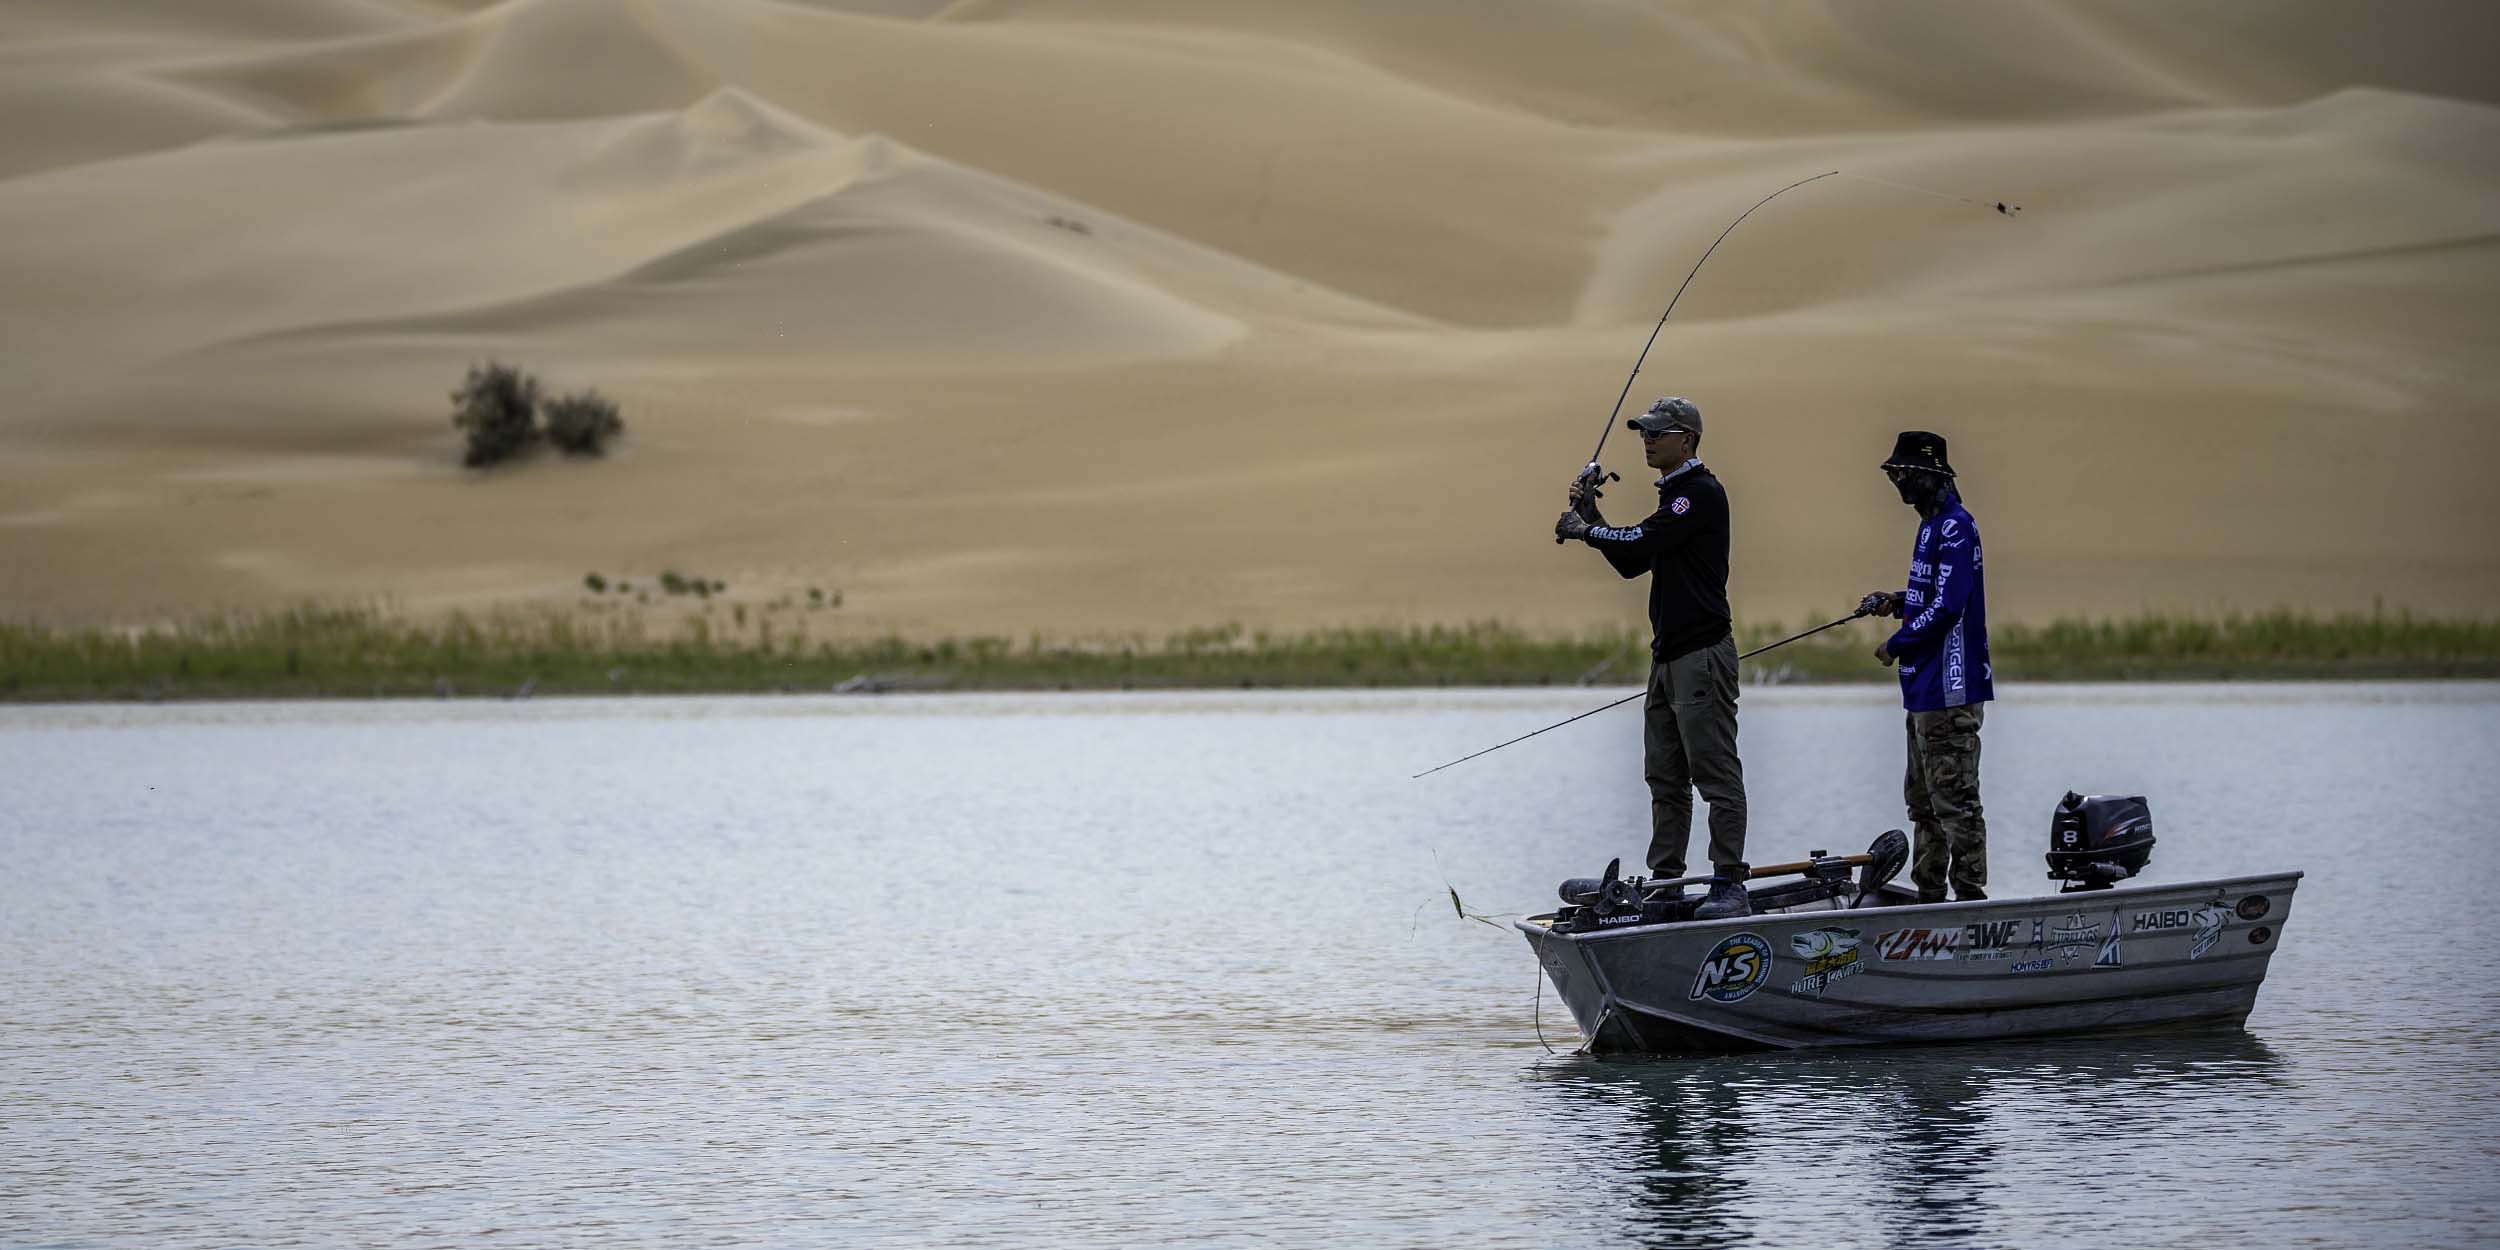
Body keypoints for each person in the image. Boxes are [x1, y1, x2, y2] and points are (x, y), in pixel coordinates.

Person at [1555, 397, 1751, 920]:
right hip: (1667, 657)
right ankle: (1668, 881)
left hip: (1702, 654)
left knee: (1714, 772)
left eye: (1657, 433)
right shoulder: (1673, 500)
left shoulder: (1698, 494)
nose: (1647, 440)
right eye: (1644, 432)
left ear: (1686, 439)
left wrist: (1583, 529)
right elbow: (1632, 561)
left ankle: (1730, 882)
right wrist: (1592, 517)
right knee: (1665, 776)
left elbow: (1643, 538)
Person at [1864, 430, 1993, 903]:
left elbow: (1950, 606)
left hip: (1950, 689)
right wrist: (1895, 602)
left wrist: (1896, 643)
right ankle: (1930, 898)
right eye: (1892, 473)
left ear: (1929, 475)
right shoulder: (1931, 526)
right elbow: (1930, 597)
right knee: (1922, 805)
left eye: (1903, 473)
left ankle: (1970, 901)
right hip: (1922, 691)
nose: (1897, 481)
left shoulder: (1957, 526)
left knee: (1955, 803)